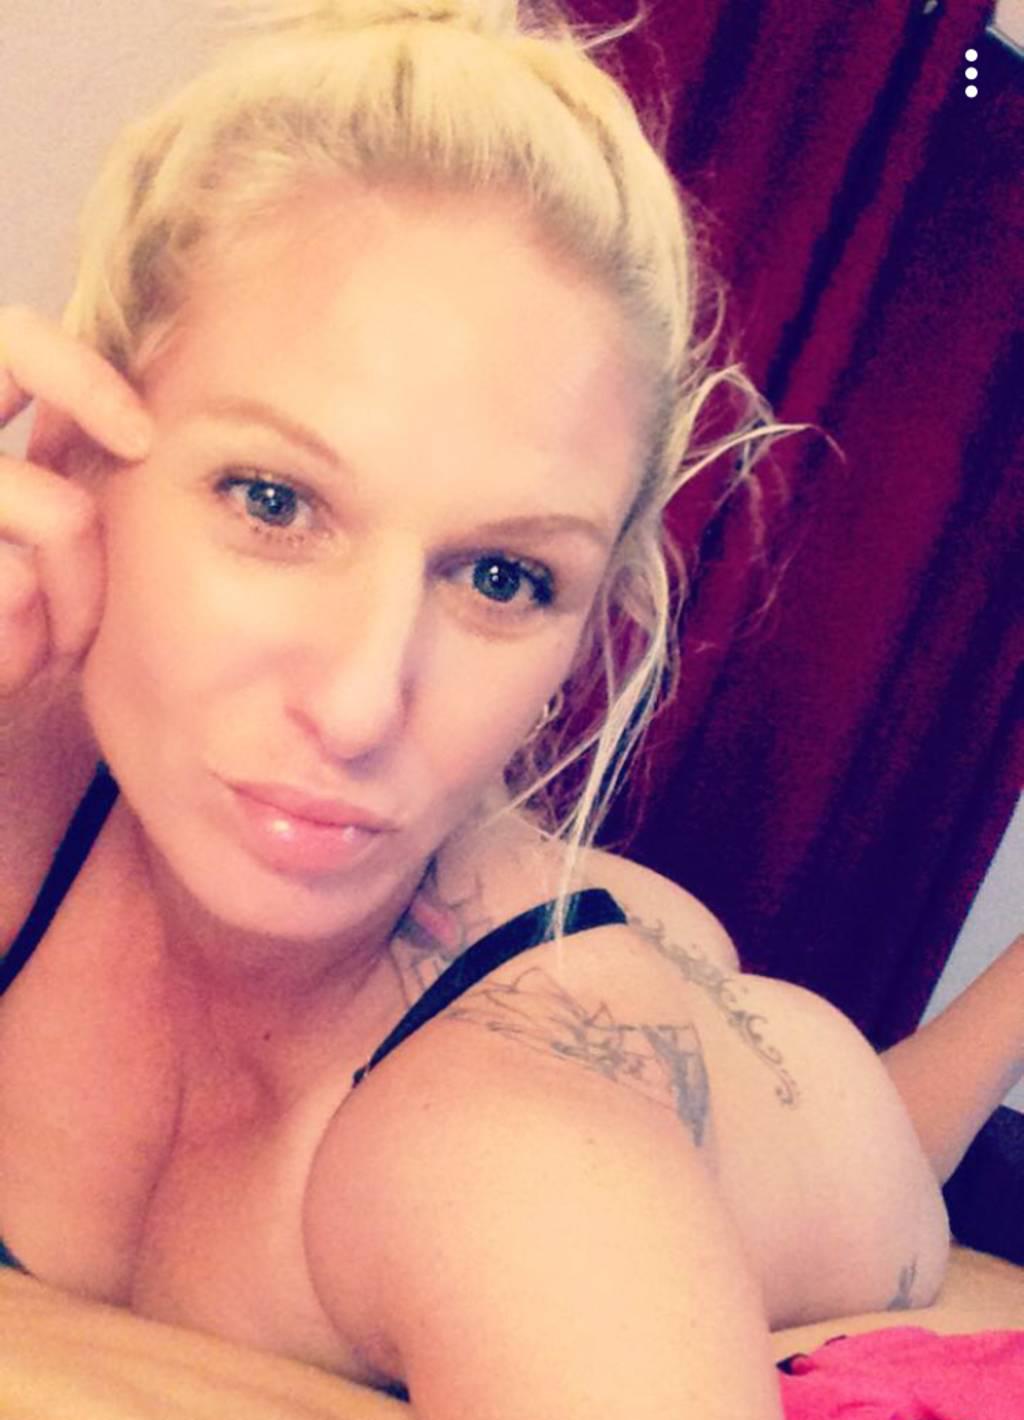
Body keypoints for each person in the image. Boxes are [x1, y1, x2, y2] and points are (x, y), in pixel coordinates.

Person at [0, 1, 1016, 1414]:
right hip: (470, 902)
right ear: (75, 451)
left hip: (754, 1088)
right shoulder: (26, 755)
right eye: (273, 500)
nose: (358, 702)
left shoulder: (513, 1161)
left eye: (501, 576)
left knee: (898, 1127)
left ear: (594, 625)